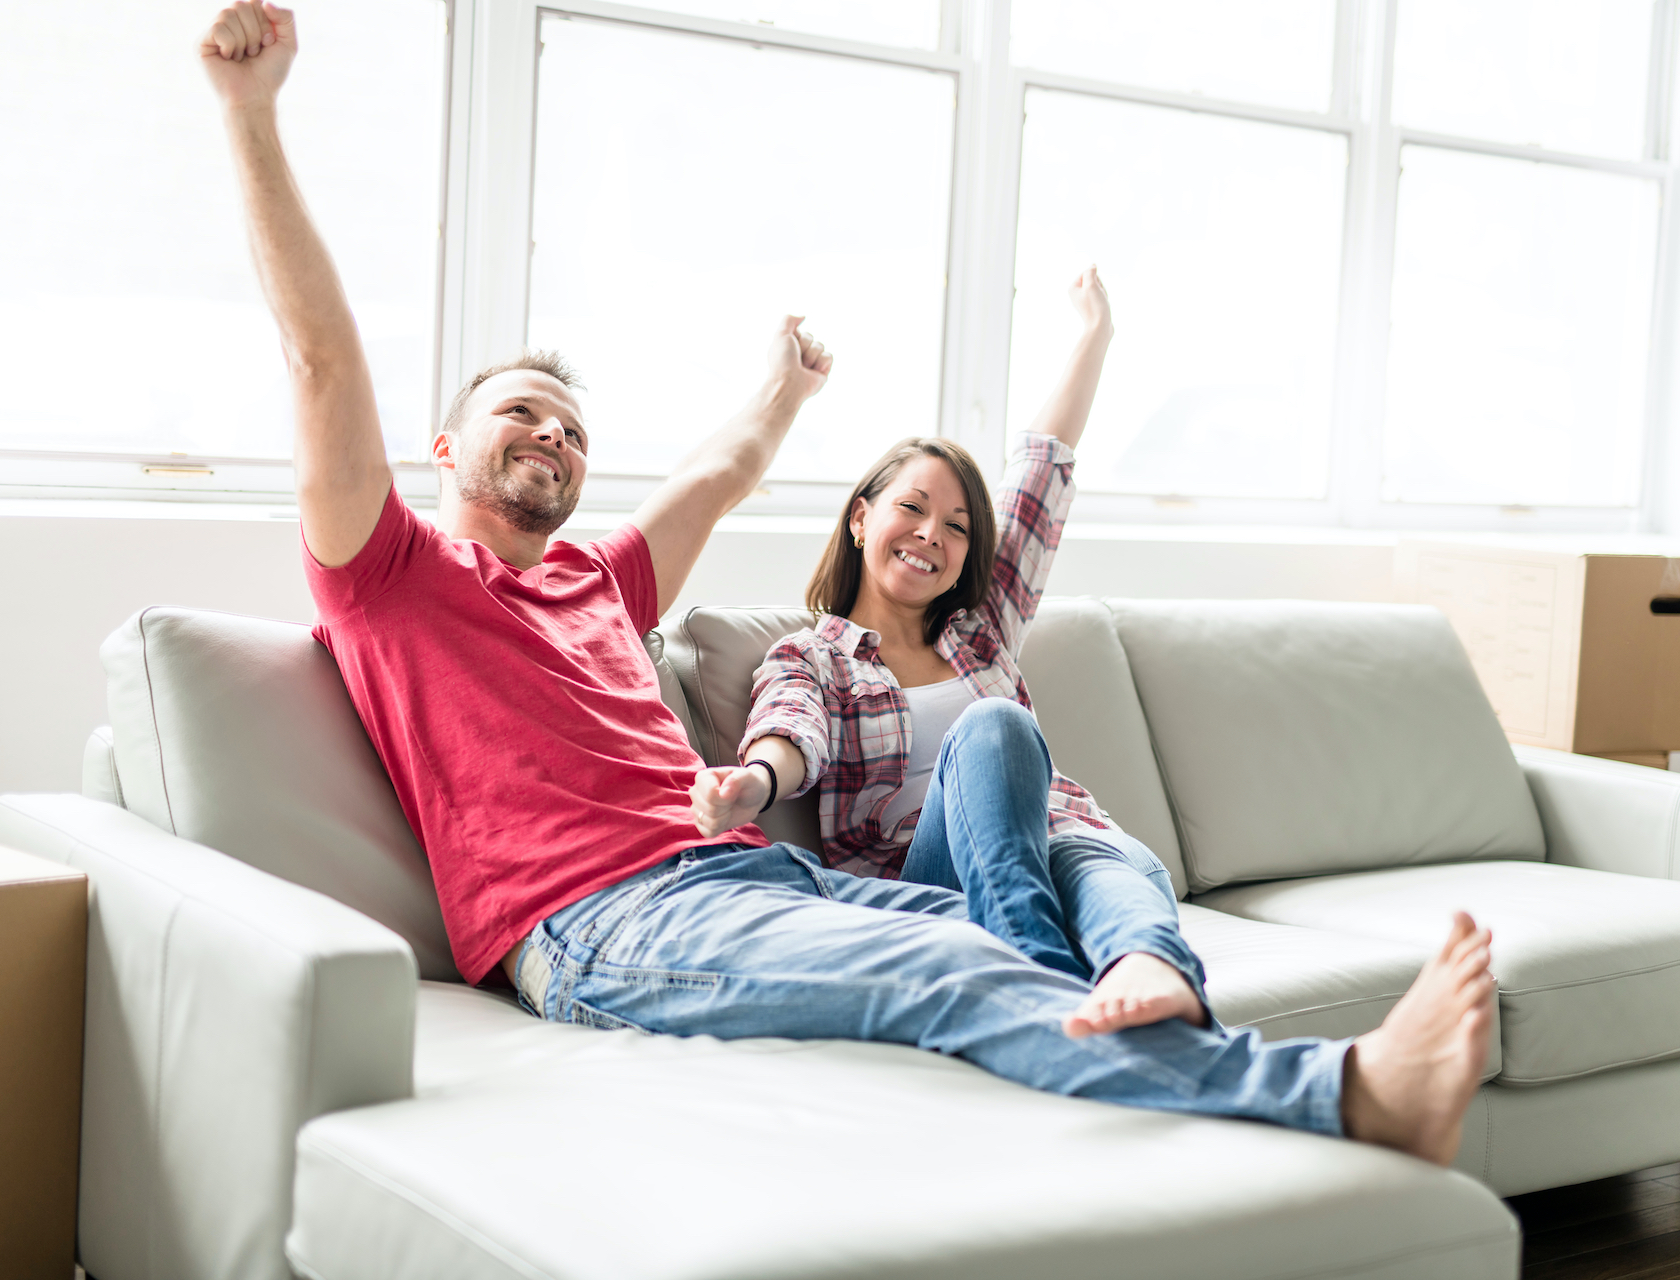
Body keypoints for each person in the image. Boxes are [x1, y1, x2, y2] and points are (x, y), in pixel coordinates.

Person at [200, 0, 1495, 1166]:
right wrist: (253, 119)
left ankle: (1125, 1064)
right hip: (596, 915)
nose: (552, 438)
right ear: (446, 446)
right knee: (947, 956)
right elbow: (320, 361)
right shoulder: (392, 576)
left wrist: (786, 391)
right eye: (522, 415)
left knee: (1005, 931)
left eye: (574, 430)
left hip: (749, 877)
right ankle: (1343, 1095)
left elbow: (719, 471)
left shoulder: (603, 580)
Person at [694, 269, 1209, 1041]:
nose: (933, 534)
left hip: (1062, 844)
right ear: (862, 520)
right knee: (995, 725)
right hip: (931, 880)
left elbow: (1043, 470)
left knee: (1106, 858)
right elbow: (791, 730)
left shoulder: (982, 628)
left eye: (958, 525)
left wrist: (1094, 337)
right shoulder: (813, 655)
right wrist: (757, 783)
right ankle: (1037, 970)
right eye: (912, 508)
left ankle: (1150, 968)